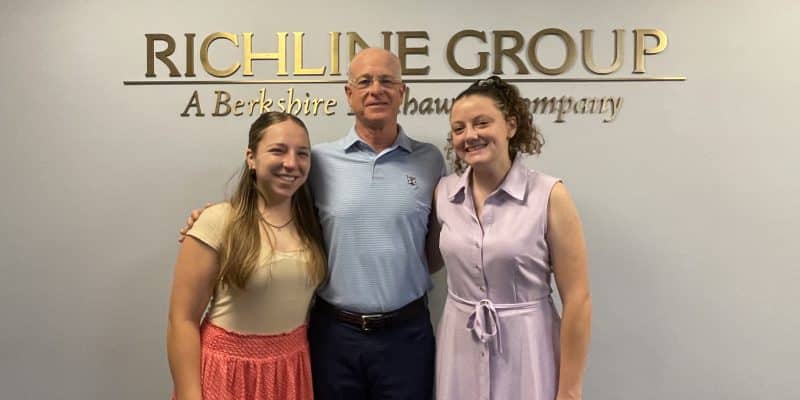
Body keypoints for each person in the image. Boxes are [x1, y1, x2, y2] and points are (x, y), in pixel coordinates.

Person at [180, 48, 446, 400]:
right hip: (334, 335)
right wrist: (213, 218)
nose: (375, 89)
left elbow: (438, 243)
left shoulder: (429, 160)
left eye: (387, 81)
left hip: (406, 335)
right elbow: (272, 204)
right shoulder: (317, 160)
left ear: (403, 92)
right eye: (364, 81)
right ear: (348, 94)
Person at [432, 76, 592, 400]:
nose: (470, 135)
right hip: (458, 345)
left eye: (482, 123)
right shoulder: (444, 192)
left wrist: (571, 391)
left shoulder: (549, 195)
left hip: (528, 348)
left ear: (511, 126)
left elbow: (578, 299)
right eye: (459, 128)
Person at [167, 112, 327, 400]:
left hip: (290, 370)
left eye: (302, 154)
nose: (291, 163)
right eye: (278, 150)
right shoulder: (218, 221)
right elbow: (182, 320)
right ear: (251, 158)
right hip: (227, 372)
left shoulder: (313, 225)